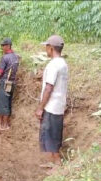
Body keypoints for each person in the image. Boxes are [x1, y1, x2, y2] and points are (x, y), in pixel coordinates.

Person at [35, 35, 68, 168]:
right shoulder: (63, 63)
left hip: (51, 106)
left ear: (51, 48)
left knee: (52, 136)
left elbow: (49, 88)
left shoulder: (54, 65)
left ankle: (58, 165)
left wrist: (40, 108)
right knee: (52, 135)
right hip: (58, 104)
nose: (45, 49)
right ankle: (53, 163)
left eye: (46, 46)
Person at [0, 38, 19, 131]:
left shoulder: (5, 57)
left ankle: (3, 125)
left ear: (8, 46)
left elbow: (0, 72)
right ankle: (6, 124)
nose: (2, 47)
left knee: (2, 103)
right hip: (12, 82)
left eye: (3, 45)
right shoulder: (15, 57)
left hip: (5, 82)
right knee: (8, 102)